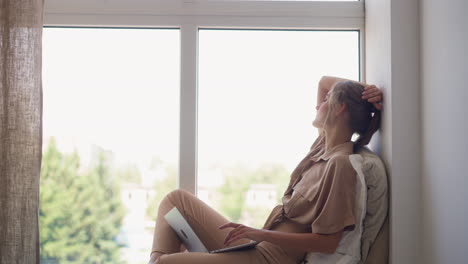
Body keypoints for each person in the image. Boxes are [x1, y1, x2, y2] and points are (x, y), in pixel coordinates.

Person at [148, 76, 384, 264]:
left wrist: (258, 234)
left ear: (340, 108)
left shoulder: (340, 164)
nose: (318, 104)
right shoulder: (322, 146)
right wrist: (367, 91)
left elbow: (328, 242)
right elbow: (324, 81)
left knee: (165, 262)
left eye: (326, 100)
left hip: (269, 258)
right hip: (254, 246)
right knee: (175, 201)